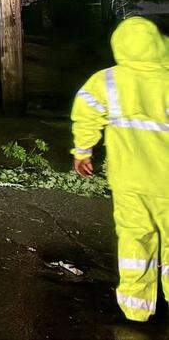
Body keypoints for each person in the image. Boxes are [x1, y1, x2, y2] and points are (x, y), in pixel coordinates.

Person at [72, 16, 169, 321]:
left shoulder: (107, 81)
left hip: (129, 182)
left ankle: (136, 309)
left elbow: (86, 113)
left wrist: (83, 151)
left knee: (134, 239)